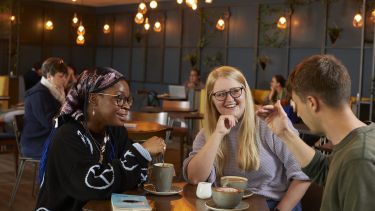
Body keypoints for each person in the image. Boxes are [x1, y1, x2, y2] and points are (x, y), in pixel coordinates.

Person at [36, 67, 167, 210]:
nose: (126, 106)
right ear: (94, 99)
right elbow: (92, 185)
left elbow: (135, 175)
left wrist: (137, 162)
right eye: (119, 98)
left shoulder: (115, 132)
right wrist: (141, 152)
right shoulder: (68, 136)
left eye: (128, 100)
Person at [256, 55, 375, 211]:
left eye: (296, 104)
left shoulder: (359, 159)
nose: (297, 112)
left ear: (312, 103)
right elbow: (324, 169)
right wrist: (284, 132)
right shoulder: (359, 139)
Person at [183, 66, 310, 211]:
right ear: (212, 99)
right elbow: (195, 178)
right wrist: (217, 134)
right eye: (221, 94)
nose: (229, 99)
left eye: (236, 91)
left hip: (273, 205)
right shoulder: (208, 133)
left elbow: (303, 174)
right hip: (226, 205)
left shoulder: (269, 123)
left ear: (246, 92)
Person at [21, 57, 68, 159]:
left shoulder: (56, 91)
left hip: (48, 137)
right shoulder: (38, 94)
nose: (64, 79)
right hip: (36, 142)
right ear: (49, 76)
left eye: (65, 76)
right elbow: (49, 123)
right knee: (74, 148)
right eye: (61, 76)